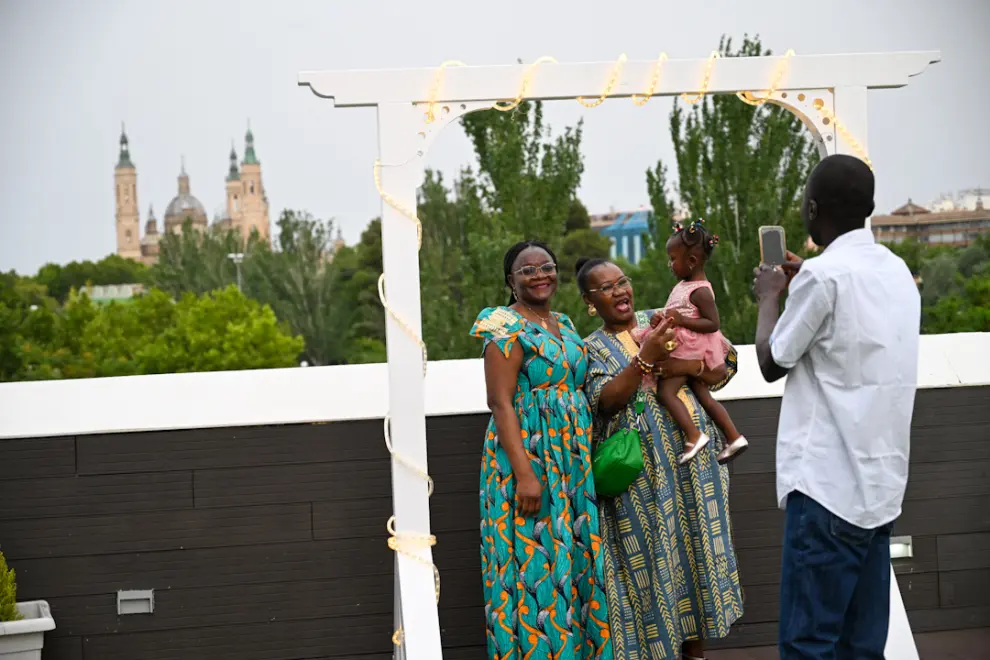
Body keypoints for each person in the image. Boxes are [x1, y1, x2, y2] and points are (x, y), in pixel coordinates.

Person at [753, 154, 921, 659]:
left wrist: (769, 297)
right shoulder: (895, 271)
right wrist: (804, 280)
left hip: (826, 489)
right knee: (862, 647)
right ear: (869, 207)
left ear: (811, 208)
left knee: (809, 644)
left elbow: (771, 360)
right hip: (881, 489)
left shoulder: (822, 278)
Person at [578, 257, 744, 660]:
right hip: (643, 484)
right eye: (607, 288)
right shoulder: (590, 349)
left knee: (695, 559)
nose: (620, 291)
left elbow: (723, 365)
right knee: (653, 569)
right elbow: (606, 402)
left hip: (695, 471)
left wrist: (681, 364)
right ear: (589, 302)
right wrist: (646, 359)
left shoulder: (665, 318)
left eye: (623, 282)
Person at [470, 241, 612, 660]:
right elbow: (500, 401)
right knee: (537, 563)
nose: (539, 275)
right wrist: (526, 473)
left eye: (546, 267)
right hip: (528, 458)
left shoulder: (564, 323)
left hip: (571, 463)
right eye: (527, 270)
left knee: (573, 558)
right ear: (510, 281)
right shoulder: (501, 324)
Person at [632, 219, 747, 464]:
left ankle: (694, 435)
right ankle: (733, 436)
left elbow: (712, 323)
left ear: (692, 261)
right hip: (689, 346)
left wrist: (681, 320)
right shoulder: (684, 286)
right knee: (704, 396)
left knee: (666, 392)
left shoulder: (701, 290)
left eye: (673, 259)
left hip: (693, 349)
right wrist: (663, 319)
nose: (670, 264)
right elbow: (677, 314)